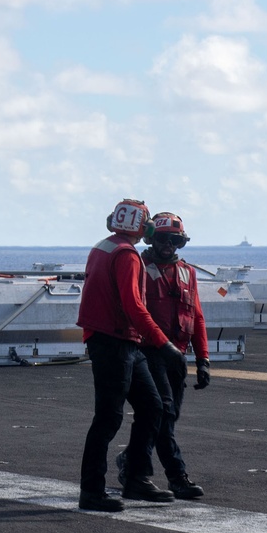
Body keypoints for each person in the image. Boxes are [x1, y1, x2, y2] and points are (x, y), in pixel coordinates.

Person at [76, 199, 186, 512]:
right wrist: (165, 345)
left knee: (153, 407)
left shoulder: (105, 246)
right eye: (148, 221)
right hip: (115, 342)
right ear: (142, 225)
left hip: (121, 341)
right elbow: (134, 306)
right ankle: (92, 491)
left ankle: (137, 478)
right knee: (108, 418)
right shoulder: (126, 254)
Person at [117, 211, 210, 500]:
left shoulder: (187, 273)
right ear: (151, 239)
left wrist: (203, 359)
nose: (168, 245)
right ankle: (177, 477)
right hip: (150, 352)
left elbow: (197, 317)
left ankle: (129, 460)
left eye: (174, 240)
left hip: (177, 357)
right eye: (162, 239)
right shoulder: (139, 267)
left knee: (167, 418)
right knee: (164, 413)